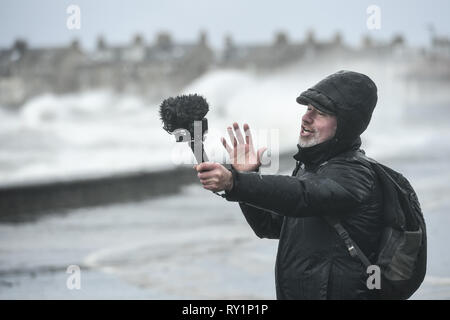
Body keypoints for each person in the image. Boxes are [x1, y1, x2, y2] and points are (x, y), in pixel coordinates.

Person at [194, 70, 383, 300]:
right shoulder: (312, 167)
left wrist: (236, 183)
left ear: (346, 125)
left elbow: (302, 196)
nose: (306, 118)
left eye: (320, 113)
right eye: (308, 109)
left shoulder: (355, 174)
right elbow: (270, 226)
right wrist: (249, 174)